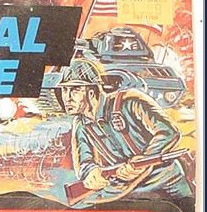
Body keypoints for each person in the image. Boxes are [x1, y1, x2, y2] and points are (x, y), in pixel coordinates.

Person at [57, 60, 192, 202]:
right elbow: (84, 163)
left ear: (91, 92)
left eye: (75, 90)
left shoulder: (129, 101)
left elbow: (169, 132)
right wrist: (91, 173)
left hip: (166, 181)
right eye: (65, 90)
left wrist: (143, 159)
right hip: (126, 190)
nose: (67, 98)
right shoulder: (81, 123)